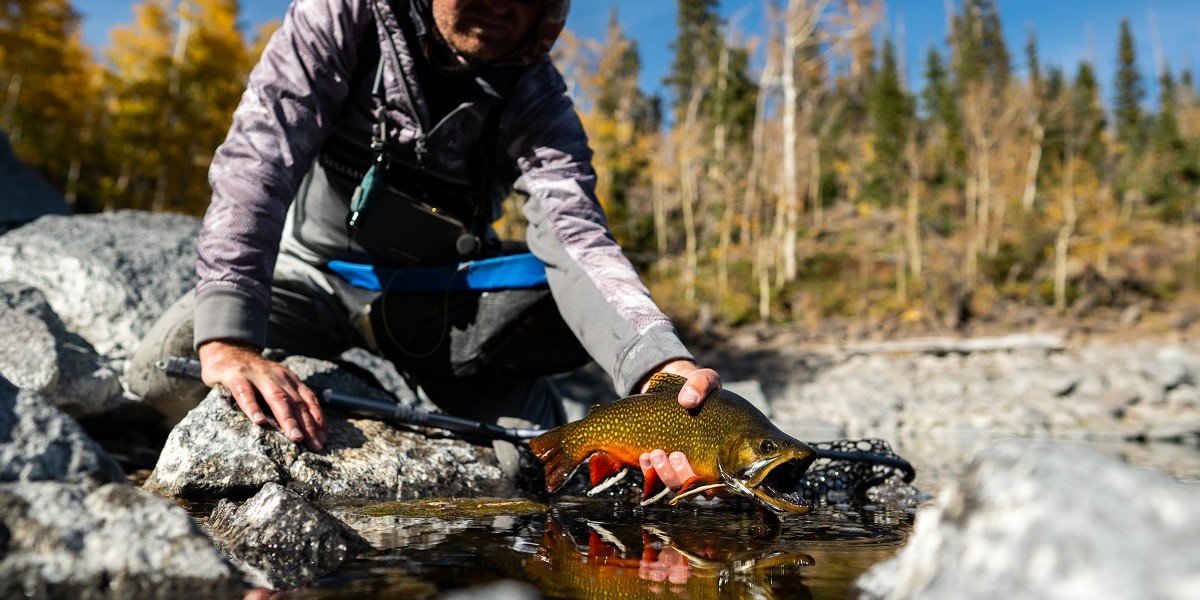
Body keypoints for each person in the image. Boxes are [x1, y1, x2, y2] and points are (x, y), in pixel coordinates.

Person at [129, 0, 722, 495]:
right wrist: (230, 340)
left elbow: (577, 236)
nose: (501, 4)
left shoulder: (538, 99)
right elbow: (259, 158)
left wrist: (659, 368)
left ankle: (512, 394)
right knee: (166, 368)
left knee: (532, 470)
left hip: (439, 308)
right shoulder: (342, 16)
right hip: (308, 274)